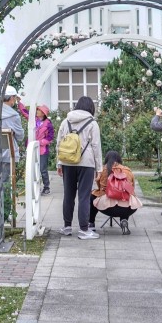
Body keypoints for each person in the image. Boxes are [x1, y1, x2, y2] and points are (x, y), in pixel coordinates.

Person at [56, 96, 102, 240]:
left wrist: (59, 163)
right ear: (90, 108)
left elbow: (59, 143)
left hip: (67, 162)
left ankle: (67, 227)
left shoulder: (66, 121)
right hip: (86, 163)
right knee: (84, 196)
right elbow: (96, 146)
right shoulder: (92, 123)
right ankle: (83, 230)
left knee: (68, 195)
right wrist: (99, 168)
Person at [90, 150, 142, 234]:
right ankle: (123, 220)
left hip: (107, 208)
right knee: (127, 197)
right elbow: (132, 190)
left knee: (92, 196)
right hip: (127, 209)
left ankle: (91, 223)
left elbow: (100, 189)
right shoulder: (127, 170)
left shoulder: (102, 170)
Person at [35, 105, 55, 195]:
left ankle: (46, 187)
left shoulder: (48, 124)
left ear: (43, 113)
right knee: (34, 169)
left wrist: (40, 142)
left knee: (43, 169)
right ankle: (35, 187)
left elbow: (50, 137)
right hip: (33, 149)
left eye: (39, 110)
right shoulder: (34, 120)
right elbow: (25, 113)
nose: (37, 112)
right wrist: (19, 103)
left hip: (43, 150)